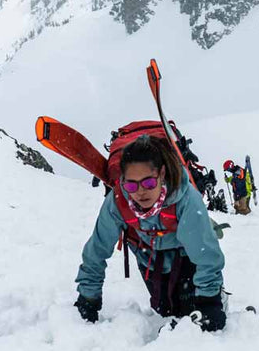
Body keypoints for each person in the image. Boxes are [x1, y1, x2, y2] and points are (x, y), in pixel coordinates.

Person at [75, 134, 227, 331]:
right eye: (131, 184)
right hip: (149, 258)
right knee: (165, 313)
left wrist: (210, 301)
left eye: (148, 183)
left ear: (162, 174)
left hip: (187, 256)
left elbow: (205, 254)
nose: (140, 192)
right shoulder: (117, 202)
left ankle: (219, 294)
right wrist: (88, 297)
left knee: (191, 316)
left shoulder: (185, 198)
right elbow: (97, 250)